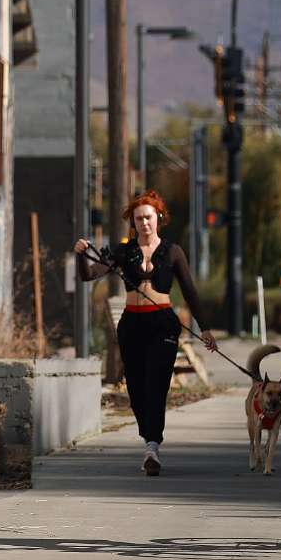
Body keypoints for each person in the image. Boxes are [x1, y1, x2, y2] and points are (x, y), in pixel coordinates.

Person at [74, 190, 217, 477]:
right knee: (137, 388)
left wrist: (206, 329)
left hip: (162, 323)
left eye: (149, 217)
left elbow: (190, 292)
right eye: (139, 218)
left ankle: (152, 445)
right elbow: (89, 275)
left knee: (156, 385)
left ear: (158, 218)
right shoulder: (123, 251)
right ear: (133, 221)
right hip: (132, 325)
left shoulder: (173, 251)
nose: (144, 223)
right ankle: (148, 435)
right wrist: (79, 255)